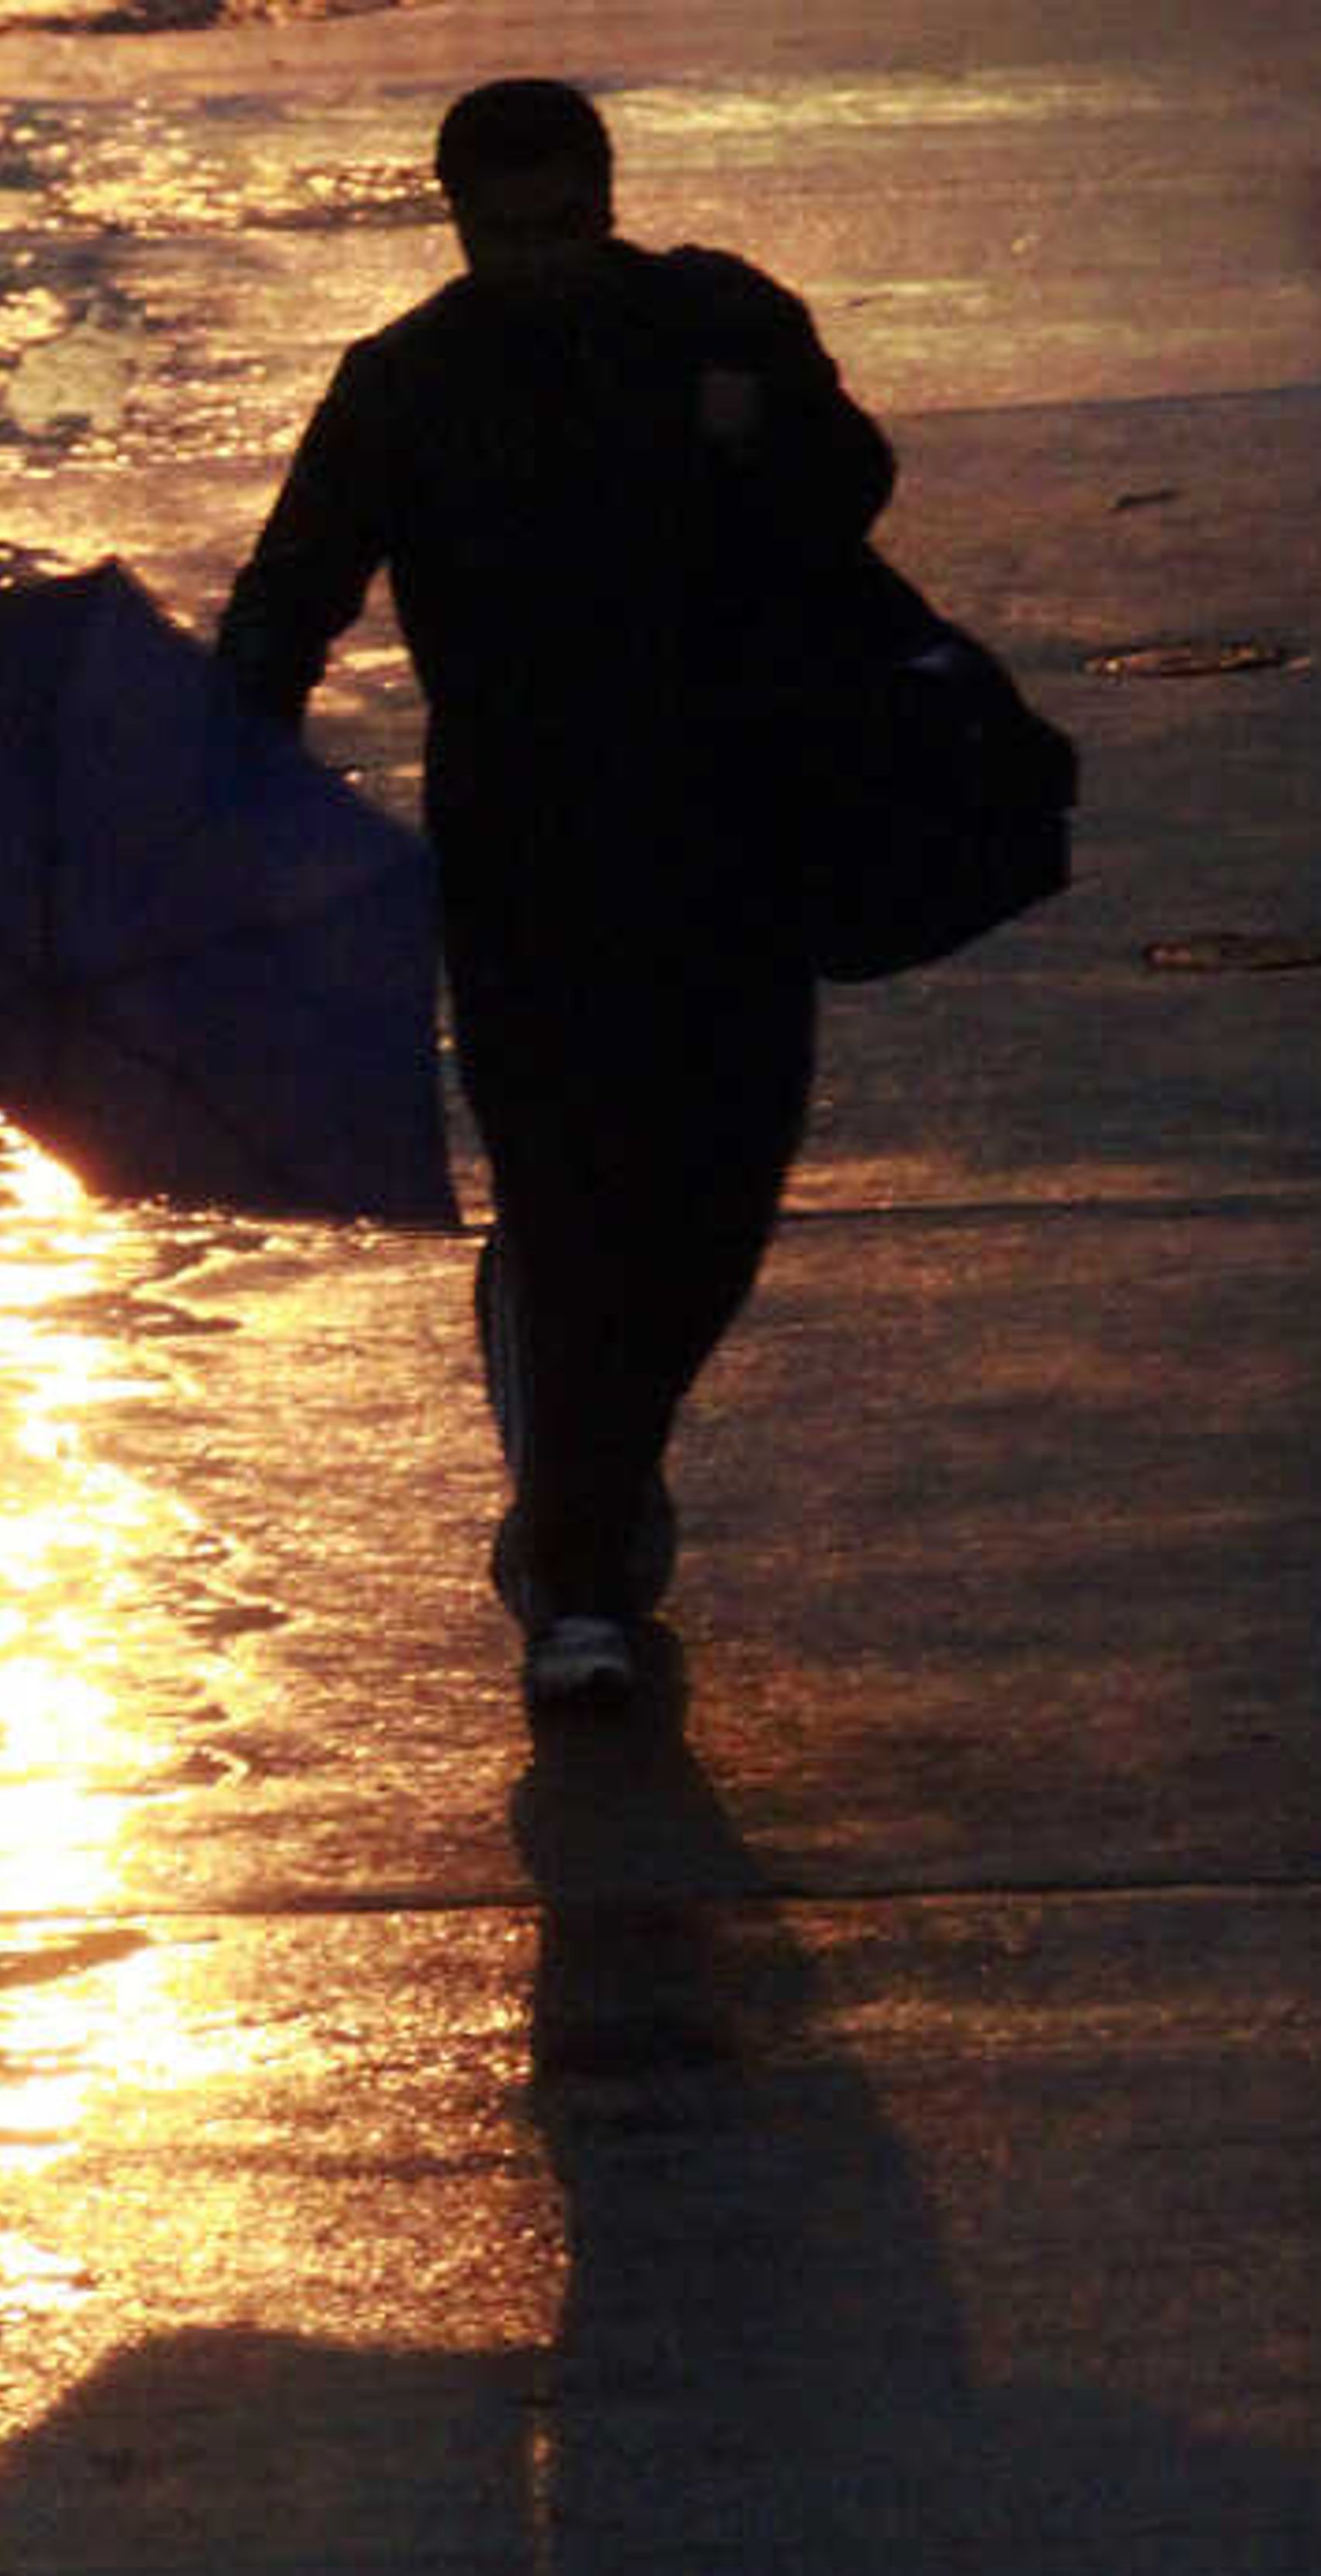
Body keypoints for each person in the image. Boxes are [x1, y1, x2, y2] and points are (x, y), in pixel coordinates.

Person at [218, 77, 896, 1708]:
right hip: (525, 863)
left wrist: (761, 434)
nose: (538, 260)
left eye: (564, 224)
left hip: (738, 835)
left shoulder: (719, 319)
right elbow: (288, 604)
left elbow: (854, 491)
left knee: (721, 1197)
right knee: (575, 1205)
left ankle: (599, 1459)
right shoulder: (404, 387)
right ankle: (575, 1571)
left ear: (607, 197)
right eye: (504, 232)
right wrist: (225, 809)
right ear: (454, 220)